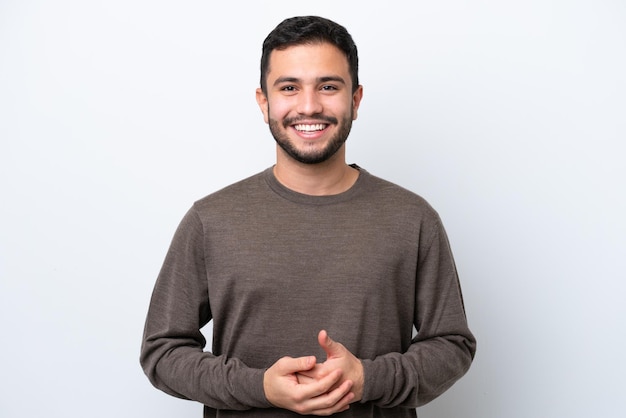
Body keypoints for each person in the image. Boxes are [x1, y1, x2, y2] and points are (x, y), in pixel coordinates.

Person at [140, 15, 476, 418]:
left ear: (355, 99)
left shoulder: (413, 219)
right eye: (289, 88)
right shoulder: (210, 221)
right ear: (264, 102)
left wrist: (368, 379)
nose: (309, 106)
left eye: (329, 87)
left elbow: (452, 345)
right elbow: (162, 350)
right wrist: (259, 387)